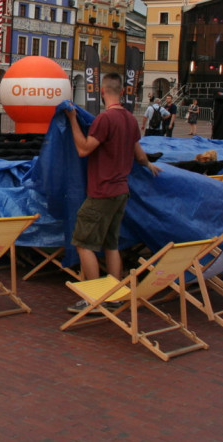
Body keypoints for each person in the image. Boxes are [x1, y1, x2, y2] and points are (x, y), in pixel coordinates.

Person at [64, 73, 162, 312]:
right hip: (121, 191)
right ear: (122, 91)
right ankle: (114, 295)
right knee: (111, 244)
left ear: (102, 91)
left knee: (83, 243)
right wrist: (149, 165)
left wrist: (73, 120)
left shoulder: (105, 119)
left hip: (102, 191)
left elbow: (84, 149)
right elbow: (139, 155)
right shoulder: (129, 119)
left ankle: (94, 298)